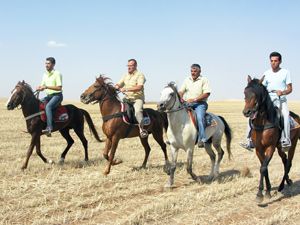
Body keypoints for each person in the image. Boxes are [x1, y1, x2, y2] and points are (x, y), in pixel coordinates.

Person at [240, 51, 292, 150]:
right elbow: (261, 88)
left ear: (280, 61)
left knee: (285, 115)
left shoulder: (285, 72)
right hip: (268, 100)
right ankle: (248, 140)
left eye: (275, 61)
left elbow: (290, 89)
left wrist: (283, 92)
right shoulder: (266, 73)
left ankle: (286, 139)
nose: (273, 63)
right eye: (271, 61)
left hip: (281, 100)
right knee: (252, 115)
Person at [179, 64, 211, 148]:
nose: (193, 73)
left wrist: (194, 99)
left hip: (200, 104)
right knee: (177, 115)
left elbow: (207, 93)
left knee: (200, 118)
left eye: (195, 71)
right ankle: (176, 138)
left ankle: (202, 139)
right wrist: (181, 97)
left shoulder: (204, 80)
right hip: (187, 103)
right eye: (191, 71)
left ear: (199, 71)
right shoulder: (187, 79)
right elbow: (181, 91)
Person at [115, 59, 148, 138]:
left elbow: (139, 87)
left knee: (138, 111)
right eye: (128, 66)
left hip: (137, 99)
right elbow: (118, 84)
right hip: (127, 99)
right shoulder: (125, 75)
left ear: (135, 66)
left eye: (131, 66)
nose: (129, 67)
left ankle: (142, 129)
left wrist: (126, 89)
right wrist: (117, 87)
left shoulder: (140, 75)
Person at [36, 57, 63, 136]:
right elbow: (43, 86)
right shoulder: (45, 74)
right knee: (38, 103)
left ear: (53, 64)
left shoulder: (57, 73)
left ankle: (49, 128)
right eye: (46, 63)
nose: (46, 65)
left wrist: (46, 87)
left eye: (48, 63)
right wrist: (39, 88)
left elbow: (59, 87)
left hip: (57, 96)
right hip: (49, 96)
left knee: (48, 107)